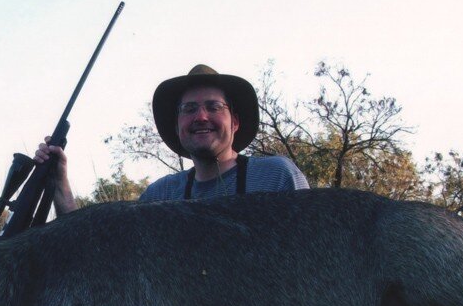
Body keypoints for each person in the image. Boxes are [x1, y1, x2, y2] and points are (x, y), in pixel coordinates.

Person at [34, 64, 308, 213]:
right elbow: (101, 258)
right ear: (178, 127)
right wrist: (60, 184)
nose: (201, 117)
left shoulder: (277, 177)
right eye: (189, 109)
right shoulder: (160, 195)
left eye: (213, 107)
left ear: (235, 121)